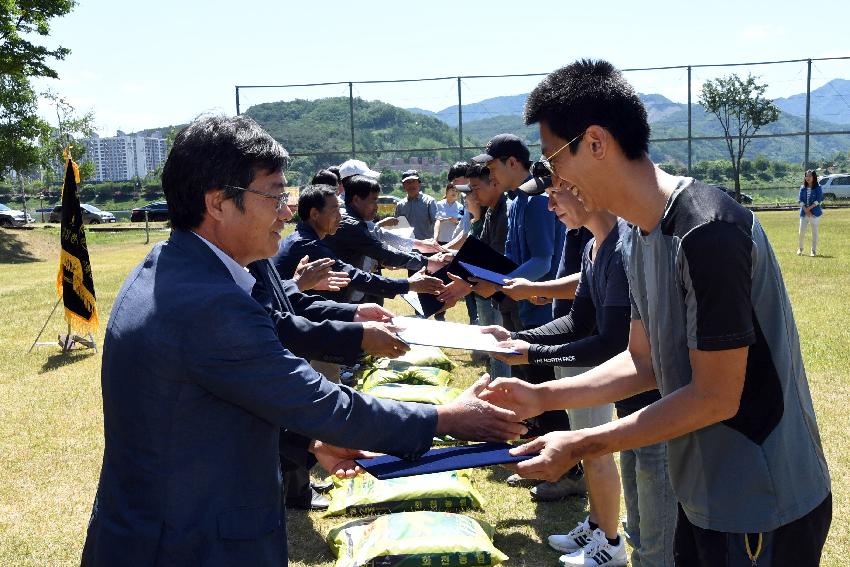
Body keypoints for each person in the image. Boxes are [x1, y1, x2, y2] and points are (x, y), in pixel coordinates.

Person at [79, 115, 527, 567]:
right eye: (274, 195)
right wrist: (447, 419)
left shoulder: (172, 266)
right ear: (217, 203)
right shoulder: (208, 303)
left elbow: (215, 405)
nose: (286, 211)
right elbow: (317, 401)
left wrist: (312, 444)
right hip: (188, 544)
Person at [480, 59, 832, 567]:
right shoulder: (635, 235)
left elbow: (715, 396)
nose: (555, 179)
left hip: (762, 500)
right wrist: (541, 395)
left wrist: (581, 442)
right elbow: (641, 361)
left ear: (596, 143)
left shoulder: (708, 231)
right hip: (703, 490)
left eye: (555, 158)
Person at [484, 178, 672, 567]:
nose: (550, 206)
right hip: (630, 404)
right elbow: (576, 320)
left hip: (660, 406)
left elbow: (613, 343)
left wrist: (532, 354)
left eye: (556, 194)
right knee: (641, 511)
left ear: (585, 189)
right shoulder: (592, 247)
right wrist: (516, 339)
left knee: (658, 526)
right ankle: (610, 535)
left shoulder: (625, 249)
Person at [274, 184, 444, 303]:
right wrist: (409, 285)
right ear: (315, 214)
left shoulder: (302, 239)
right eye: (334, 211)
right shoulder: (308, 245)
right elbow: (355, 276)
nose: (340, 217)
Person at [395, 169, 437, 240]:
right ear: (403, 186)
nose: (411, 185)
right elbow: (397, 226)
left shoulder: (429, 202)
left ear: (419, 184)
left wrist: (435, 240)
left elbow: (436, 223)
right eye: (408, 182)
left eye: (414, 181)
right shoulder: (400, 205)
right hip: (407, 246)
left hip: (426, 245)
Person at [798, 169, 823, 256]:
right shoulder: (802, 188)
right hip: (804, 213)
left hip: (815, 213)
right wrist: (805, 209)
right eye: (806, 176)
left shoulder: (818, 187)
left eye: (810, 176)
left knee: (814, 233)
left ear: (814, 177)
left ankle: (813, 250)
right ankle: (800, 249)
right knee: (801, 232)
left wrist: (809, 209)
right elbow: (800, 200)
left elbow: (818, 200)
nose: (807, 177)